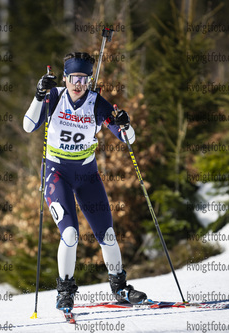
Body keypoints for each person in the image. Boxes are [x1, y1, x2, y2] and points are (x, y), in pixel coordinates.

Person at [23, 52, 147, 311]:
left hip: (87, 176)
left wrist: (126, 124)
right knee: (70, 234)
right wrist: (37, 96)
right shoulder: (54, 96)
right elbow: (28, 125)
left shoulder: (96, 103)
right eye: (74, 78)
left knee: (108, 235)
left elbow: (128, 138)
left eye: (84, 79)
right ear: (65, 78)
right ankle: (65, 292)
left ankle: (119, 287)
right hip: (57, 175)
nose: (78, 84)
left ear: (89, 80)